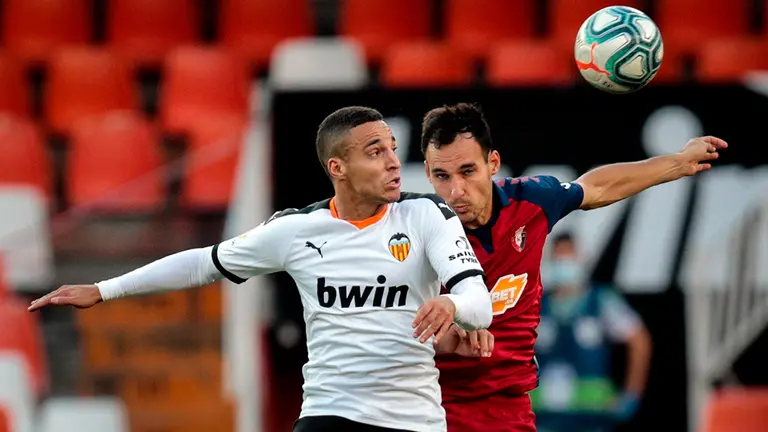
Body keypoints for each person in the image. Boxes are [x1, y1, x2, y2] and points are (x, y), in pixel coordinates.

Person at [29, 106, 494, 432]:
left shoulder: (426, 216)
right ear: (338, 167)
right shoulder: (295, 231)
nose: (395, 162)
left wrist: (452, 304)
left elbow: (479, 303)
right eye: (376, 152)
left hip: (414, 420)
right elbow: (202, 263)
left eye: (393, 148)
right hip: (332, 413)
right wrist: (105, 289)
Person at [420, 102, 727, 432]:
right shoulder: (413, 235)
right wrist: (443, 337)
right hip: (435, 408)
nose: (456, 191)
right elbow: (387, 326)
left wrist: (678, 163)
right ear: (427, 173)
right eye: (442, 176)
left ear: (493, 163)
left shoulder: (531, 202)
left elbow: (597, 187)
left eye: (467, 171)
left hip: (509, 408)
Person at [532, 232, 652, 431]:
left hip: (592, 417)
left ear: (580, 258)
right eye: (558, 256)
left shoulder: (601, 301)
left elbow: (639, 340)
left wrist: (631, 394)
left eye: (568, 255)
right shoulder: (536, 304)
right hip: (544, 416)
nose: (563, 262)